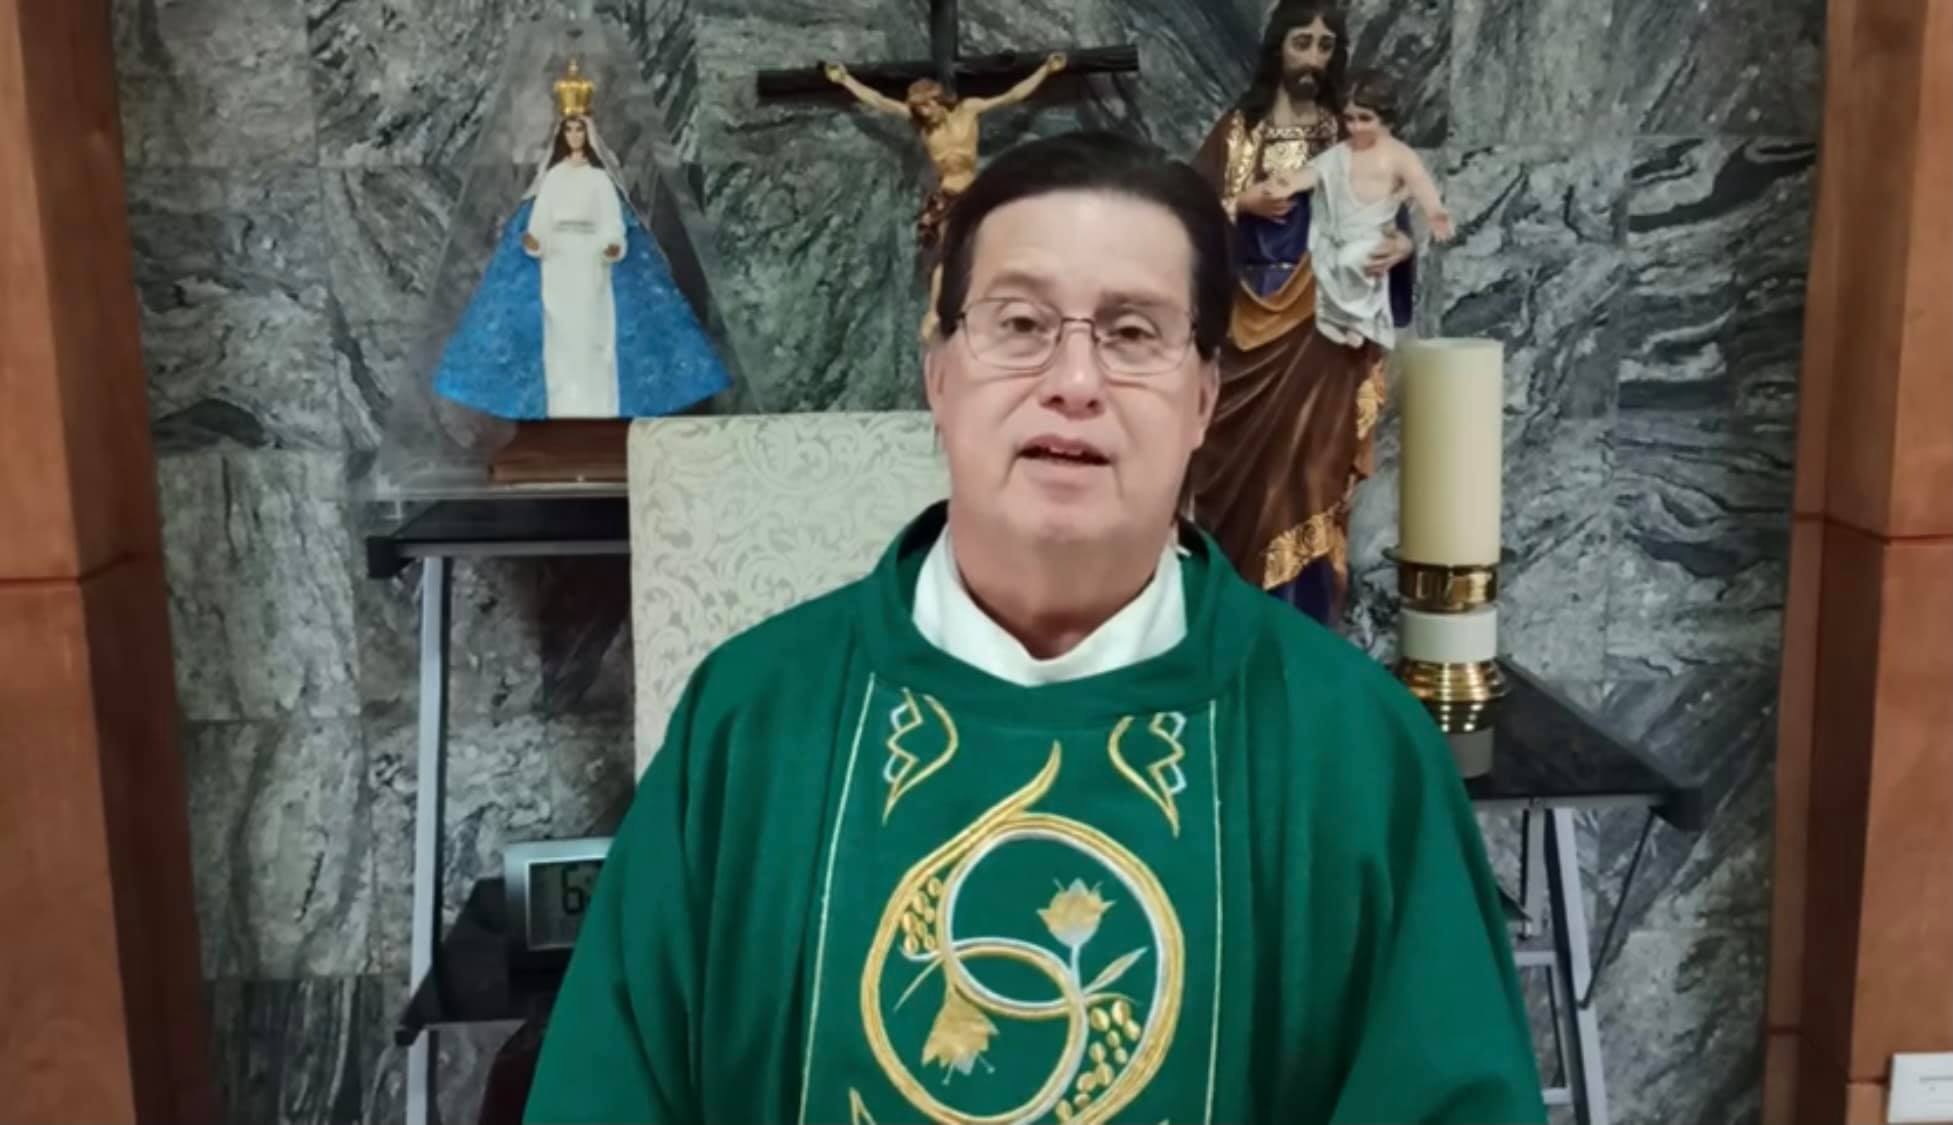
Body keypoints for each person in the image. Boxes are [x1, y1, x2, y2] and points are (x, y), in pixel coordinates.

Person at [523, 130, 1544, 1125]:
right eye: (1019, 324)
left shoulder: (1354, 751)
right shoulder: (751, 720)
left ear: (1203, 399)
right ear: (939, 374)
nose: (1075, 381)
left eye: (1133, 334)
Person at [1185, 1, 1416, 626]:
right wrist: (1240, 204)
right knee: (1236, 484)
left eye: (1324, 45)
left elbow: (1389, 220)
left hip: (1323, 330)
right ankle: (1234, 630)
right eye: (1302, 42)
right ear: (1277, 48)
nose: (1313, 57)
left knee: (1310, 480)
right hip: (1244, 330)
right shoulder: (1239, 133)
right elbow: (1187, 217)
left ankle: (1304, 631)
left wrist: (1402, 248)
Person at [433, 62, 730, 421]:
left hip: (591, 265)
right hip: (557, 266)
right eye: (569, 130)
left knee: (593, 335)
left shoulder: (599, 180)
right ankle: (561, 409)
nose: (574, 136)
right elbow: (540, 222)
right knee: (561, 338)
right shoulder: (553, 178)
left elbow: (612, 222)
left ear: (587, 133)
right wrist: (535, 242)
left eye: (579, 129)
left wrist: (612, 245)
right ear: (562, 134)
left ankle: (598, 408)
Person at [825, 54, 1069, 339]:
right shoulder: (924, 128)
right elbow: (879, 101)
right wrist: (845, 80)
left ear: (938, 99)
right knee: (947, 252)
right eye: (920, 109)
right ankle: (935, 312)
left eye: (928, 105)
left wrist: (1045, 70)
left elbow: (1012, 96)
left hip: (974, 191)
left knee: (987, 248)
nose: (926, 113)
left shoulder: (968, 110)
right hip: (947, 196)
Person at [1275, 70, 1454, 352]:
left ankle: (1363, 322)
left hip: (1373, 233)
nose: (1356, 127)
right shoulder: (1341, 153)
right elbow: (1315, 172)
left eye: (1365, 118)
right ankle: (1336, 318)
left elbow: (1420, 182)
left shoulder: (1398, 154)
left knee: (1351, 261)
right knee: (1330, 264)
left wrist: (1435, 211)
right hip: (1340, 233)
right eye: (1349, 119)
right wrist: (1288, 183)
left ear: (1386, 119)